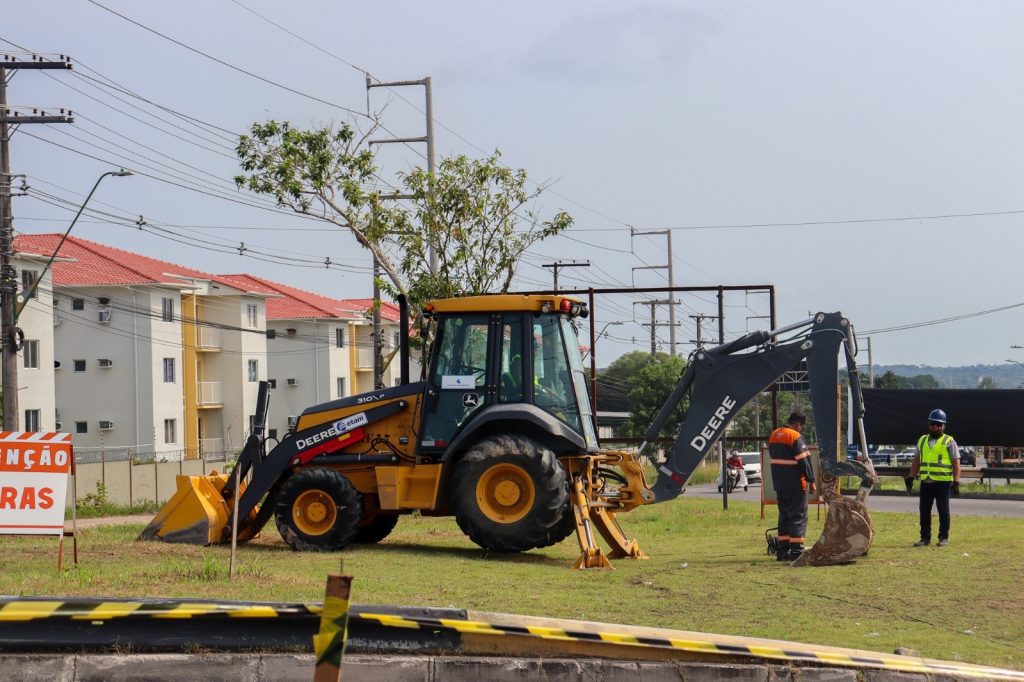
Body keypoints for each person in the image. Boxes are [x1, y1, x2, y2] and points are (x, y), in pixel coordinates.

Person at [768, 412, 817, 561]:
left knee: (784, 516)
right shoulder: (794, 437)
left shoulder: (774, 434)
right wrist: (811, 480)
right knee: (798, 516)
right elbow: (804, 461)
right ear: (798, 424)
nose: (801, 430)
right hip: (795, 484)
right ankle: (797, 552)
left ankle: (782, 552)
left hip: (780, 484)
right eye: (801, 427)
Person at [909, 409, 961, 547]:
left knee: (943, 510)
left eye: (938, 424)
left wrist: (956, 482)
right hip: (926, 481)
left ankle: (943, 537)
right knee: (924, 511)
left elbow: (956, 463)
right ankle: (924, 538)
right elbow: (916, 460)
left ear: (943, 426)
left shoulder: (949, 441)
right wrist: (910, 477)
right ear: (929, 424)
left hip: (943, 483)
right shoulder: (922, 440)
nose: (935, 427)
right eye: (933, 424)